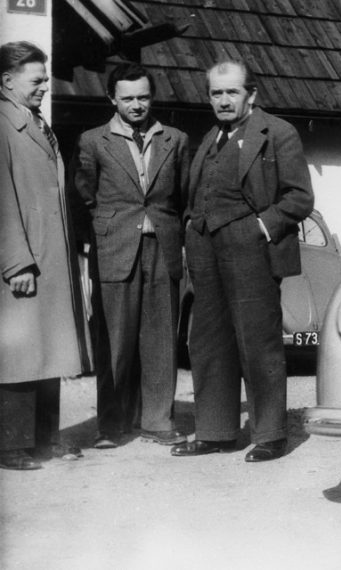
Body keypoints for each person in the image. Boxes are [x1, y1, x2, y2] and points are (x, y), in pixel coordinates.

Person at [171, 59, 313, 462]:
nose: (223, 100)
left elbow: (300, 197)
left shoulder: (278, 133)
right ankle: (216, 432)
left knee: (257, 341)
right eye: (216, 93)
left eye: (232, 91)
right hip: (206, 248)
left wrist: (260, 227)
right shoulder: (211, 137)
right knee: (208, 341)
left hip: (252, 249)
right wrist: (191, 226)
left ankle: (270, 434)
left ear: (251, 94)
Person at [73, 62, 191, 449]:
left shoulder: (175, 139)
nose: (137, 105)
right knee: (115, 340)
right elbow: (84, 195)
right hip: (114, 248)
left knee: (160, 340)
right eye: (128, 99)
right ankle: (111, 424)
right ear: (112, 98)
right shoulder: (93, 141)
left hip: (162, 246)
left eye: (143, 97)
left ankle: (157, 420)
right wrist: (106, 230)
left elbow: (183, 195)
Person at [0, 41, 89, 470]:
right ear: (7, 81)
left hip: (49, 255)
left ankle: (45, 439)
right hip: (23, 260)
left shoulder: (33, 120)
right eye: (36, 80)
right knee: (20, 353)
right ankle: (11, 446)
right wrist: (16, 262)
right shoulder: (2, 125)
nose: (44, 87)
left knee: (49, 348)